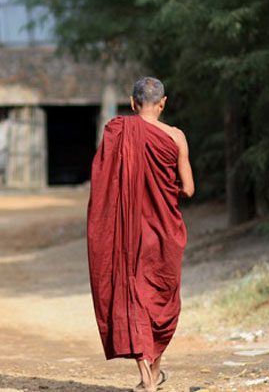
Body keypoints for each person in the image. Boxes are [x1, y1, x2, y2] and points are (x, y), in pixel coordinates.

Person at [87, 77, 194, 392]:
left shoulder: (117, 132)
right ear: (163, 103)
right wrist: (160, 191)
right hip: (165, 231)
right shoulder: (176, 137)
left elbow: (103, 184)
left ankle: (149, 377)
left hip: (131, 233)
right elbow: (188, 188)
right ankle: (153, 374)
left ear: (133, 104)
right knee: (162, 300)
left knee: (134, 298)